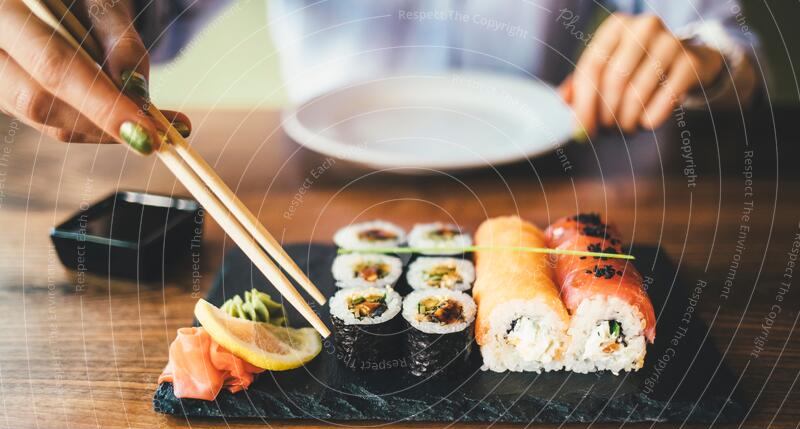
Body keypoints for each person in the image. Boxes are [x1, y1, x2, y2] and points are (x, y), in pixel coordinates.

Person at [0, 0, 761, 155]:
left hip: (556, 166)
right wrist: (77, 17)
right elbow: (132, 23)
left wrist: (696, 61)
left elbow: (731, 44)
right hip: (319, 184)